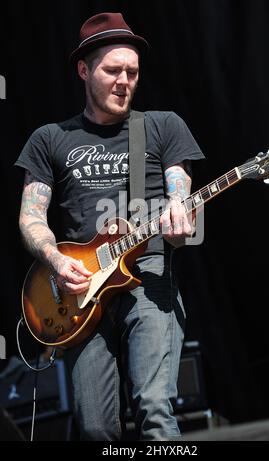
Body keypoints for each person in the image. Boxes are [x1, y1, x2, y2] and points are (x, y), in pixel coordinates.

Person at [15, 12, 204, 441]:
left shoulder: (161, 126)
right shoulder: (50, 139)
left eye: (132, 72)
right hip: (81, 289)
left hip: (148, 276)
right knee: (96, 427)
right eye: (112, 70)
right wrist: (55, 260)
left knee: (154, 409)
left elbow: (181, 195)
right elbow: (30, 217)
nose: (124, 81)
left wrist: (180, 222)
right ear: (84, 70)